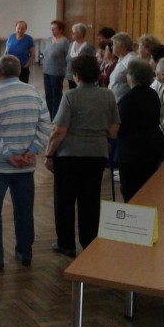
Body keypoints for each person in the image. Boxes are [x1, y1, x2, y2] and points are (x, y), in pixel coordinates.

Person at [0, 55, 50, 270]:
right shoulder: (34, 93)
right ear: (18, 72)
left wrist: (7, 154)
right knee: (24, 211)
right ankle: (25, 253)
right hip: (25, 165)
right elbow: (46, 125)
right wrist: (32, 150)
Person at [44, 55, 120, 256]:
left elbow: (59, 130)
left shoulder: (71, 96)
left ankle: (66, 243)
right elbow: (114, 128)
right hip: (97, 154)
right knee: (91, 200)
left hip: (69, 156)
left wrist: (49, 154)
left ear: (76, 75)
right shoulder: (108, 95)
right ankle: (89, 242)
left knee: (64, 201)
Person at [116, 59, 164, 202]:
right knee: (149, 188)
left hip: (133, 152)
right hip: (153, 148)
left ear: (132, 77)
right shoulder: (152, 94)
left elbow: (120, 126)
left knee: (130, 191)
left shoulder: (128, 99)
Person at [42, 20, 70, 119]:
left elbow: (68, 57)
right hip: (46, 71)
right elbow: (45, 53)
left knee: (56, 95)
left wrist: (66, 70)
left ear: (60, 30)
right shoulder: (48, 40)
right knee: (48, 94)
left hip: (57, 72)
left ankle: (57, 117)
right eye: (51, 28)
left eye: (54, 28)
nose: (52, 30)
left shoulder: (64, 42)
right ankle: (51, 116)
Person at [109, 32, 138, 102]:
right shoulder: (121, 59)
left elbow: (136, 80)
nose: (112, 47)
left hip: (125, 100)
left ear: (122, 46)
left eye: (114, 44)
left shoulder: (131, 58)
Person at [66, 23, 95, 89]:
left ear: (81, 33)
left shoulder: (88, 47)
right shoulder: (71, 45)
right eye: (72, 32)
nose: (72, 34)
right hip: (70, 76)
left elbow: (91, 63)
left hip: (82, 77)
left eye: (74, 32)